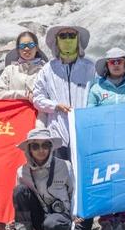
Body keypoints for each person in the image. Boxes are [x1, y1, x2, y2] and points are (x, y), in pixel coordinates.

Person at [87, 48, 125, 230]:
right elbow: (90, 116)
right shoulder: (96, 89)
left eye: (120, 61)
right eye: (112, 62)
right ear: (107, 66)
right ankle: (106, 222)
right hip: (105, 144)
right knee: (106, 180)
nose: (117, 64)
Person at [32, 25, 96, 161]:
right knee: (60, 177)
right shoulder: (47, 69)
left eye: (71, 36)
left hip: (85, 132)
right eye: (63, 36)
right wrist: (55, 105)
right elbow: (37, 98)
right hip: (57, 133)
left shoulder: (90, 67)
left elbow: (98, 94)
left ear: (78, 40)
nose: (67, 39)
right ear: (57, 41)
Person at [13, 128, 75, 230]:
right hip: (41, 217)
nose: (41, 150)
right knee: (19, 191)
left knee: (52, 224)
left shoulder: (65, 166)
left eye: (45, 145)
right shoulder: (21, 171)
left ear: (50, 147)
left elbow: (73, 192)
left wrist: (76, 217)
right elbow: (21, 201)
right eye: (35, 146)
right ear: (29, 149)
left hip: (61, 216)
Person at [0, 31, 48, 105]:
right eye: (22, 46)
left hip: (38, 114)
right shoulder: (9, 70)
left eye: (31, 45)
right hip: (14, 113)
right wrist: (25, 95)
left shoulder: (45, 70)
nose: (26, 48)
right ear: (18, 50)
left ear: (36, 48)